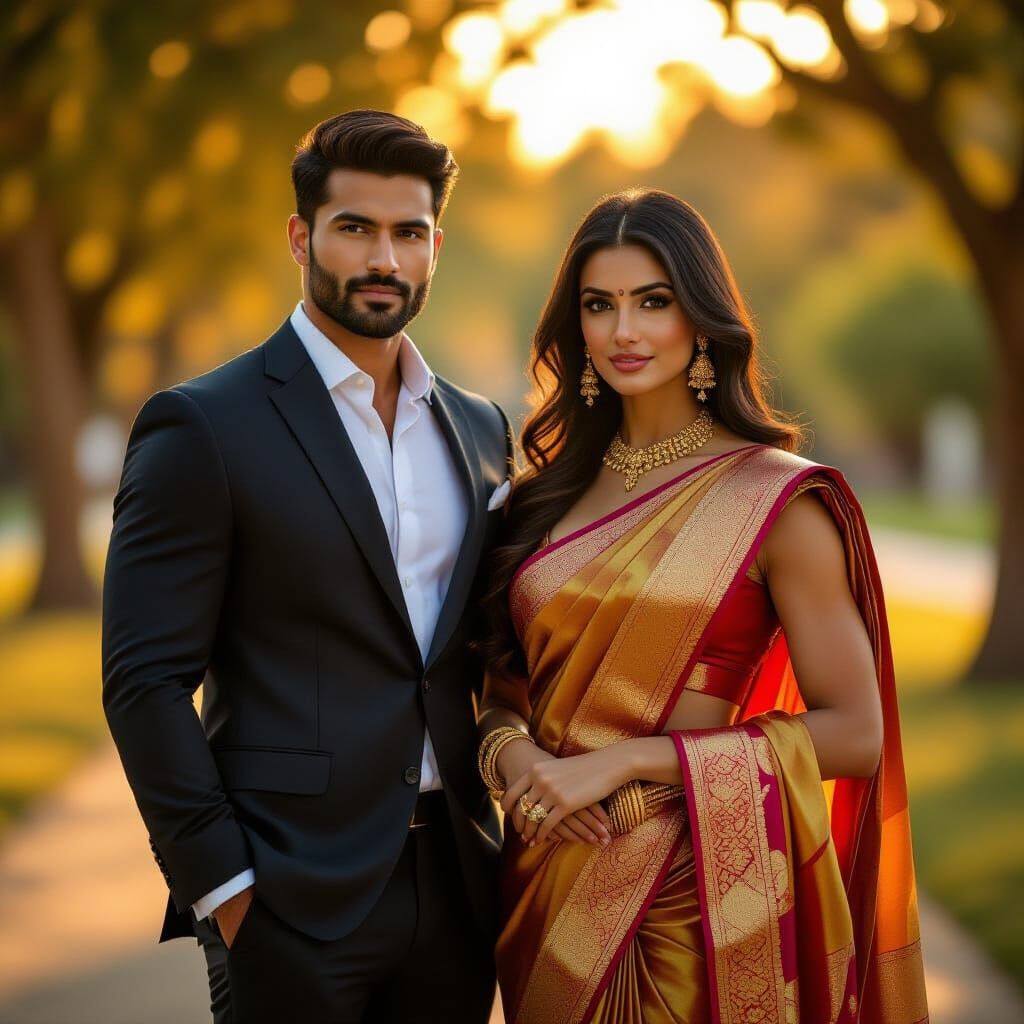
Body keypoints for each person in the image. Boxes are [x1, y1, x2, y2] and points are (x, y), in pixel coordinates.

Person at [478, 188, 929, 1024]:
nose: (625, 332)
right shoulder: (537, 503)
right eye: (599, 305)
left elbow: (856, 734)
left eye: (654, 302)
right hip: (545, 881)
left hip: (693, 902)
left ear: (700, 318)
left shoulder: (775, 502)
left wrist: (626, 763)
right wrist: (512, 761)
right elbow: (501, 695)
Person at [102, 109, 511, 1023]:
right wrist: (227, 890)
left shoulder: (482, 429)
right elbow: (144, 682)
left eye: (409, 233)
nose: (384, 260)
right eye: (355, 228)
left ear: (436, 244)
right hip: (287, 899)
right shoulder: (204, 425)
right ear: (301, 236)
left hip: (455, 887)